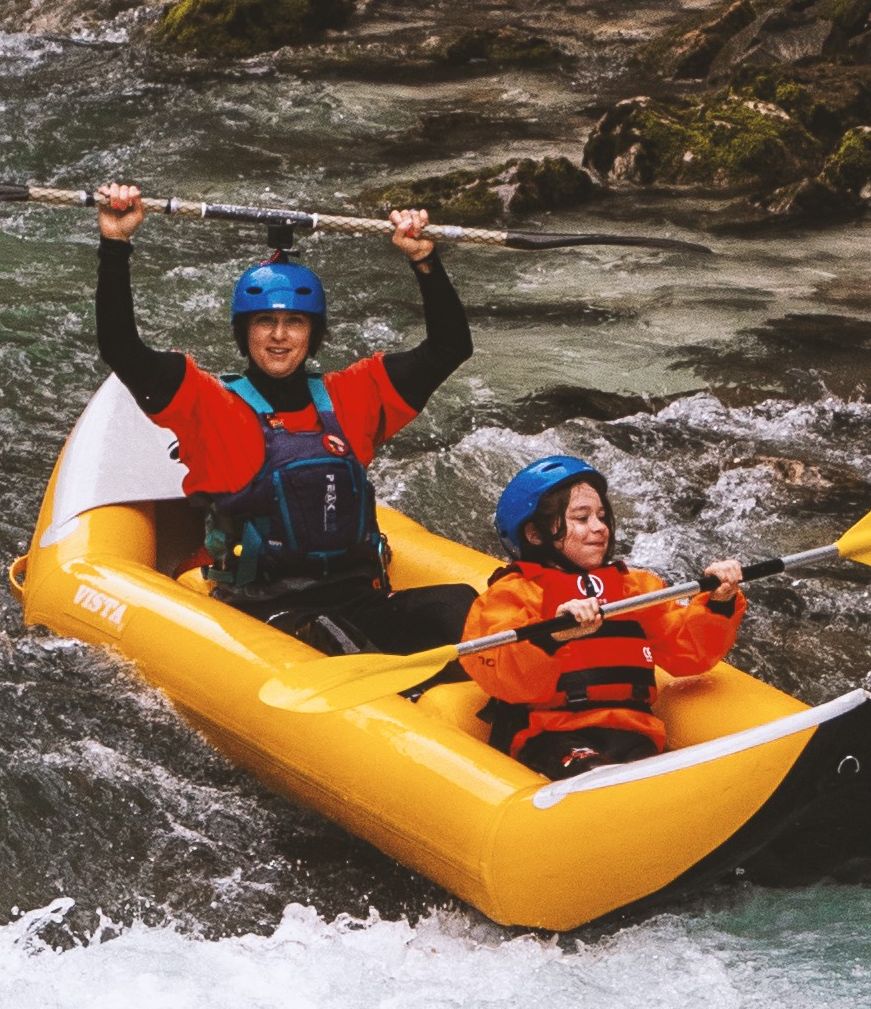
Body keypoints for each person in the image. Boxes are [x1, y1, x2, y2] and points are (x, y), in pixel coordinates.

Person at [92, 180, 475, 656]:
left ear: (312, 334)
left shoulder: (353, 394)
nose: (278, 336)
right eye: (263, 323)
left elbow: (450, 347)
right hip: (266, 612)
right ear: (244, 331)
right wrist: (116, 242)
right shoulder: (210, 405)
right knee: (339, 642)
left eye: (294, 322)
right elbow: (122, 349)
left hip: (357, 598)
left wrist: (423, 260)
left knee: (461, 604)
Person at [461, 456, 746, 780]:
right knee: (594, 773)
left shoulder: (635, 587)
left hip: (632, 729)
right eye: (581, 518)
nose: (599, 527)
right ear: (535, 534)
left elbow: (688, 653)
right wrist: (553, 634)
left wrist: (719, 602)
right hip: (548, 732)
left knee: (655, 784)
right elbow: (500, 670)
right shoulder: (514, 594)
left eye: (601, 516)